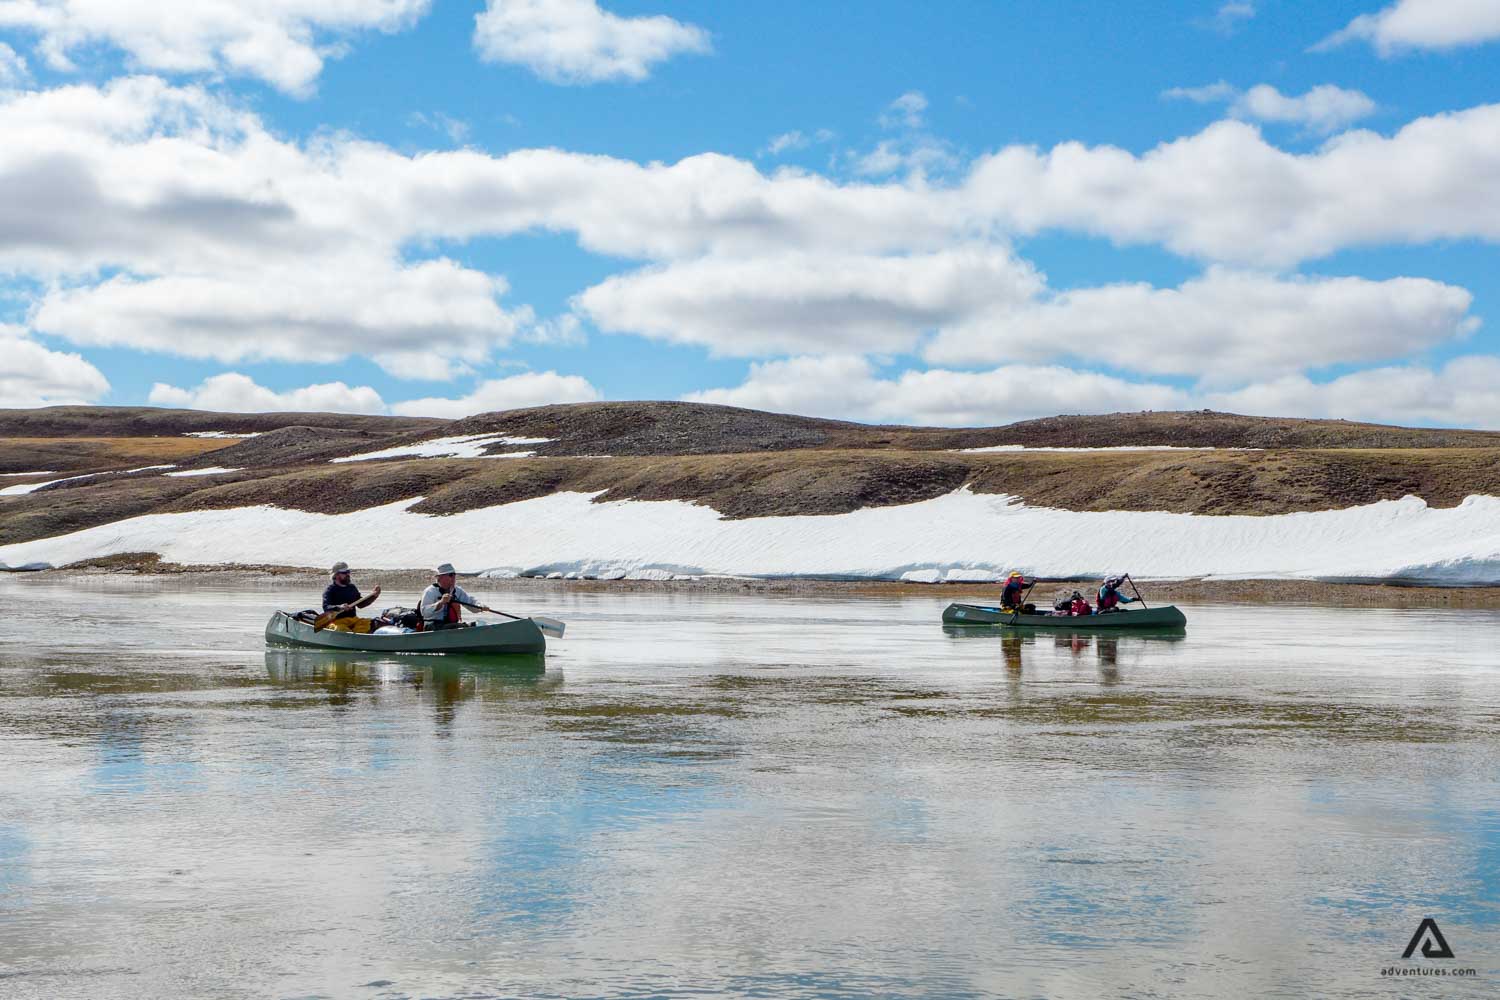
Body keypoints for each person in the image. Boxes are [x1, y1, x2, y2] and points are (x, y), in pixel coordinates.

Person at [419, 563, 501, 631]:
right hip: (432, 626)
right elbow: (424, 612)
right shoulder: (430, 591)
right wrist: (441, 603)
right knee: (458, 627)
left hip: (450, 626)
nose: (453, 578)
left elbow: (470, 602)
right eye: (450, 575)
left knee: (472, 625)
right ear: (440, 577)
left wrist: (480, 607)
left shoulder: (457, 591)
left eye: (454, 575)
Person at [321, 561, 382, 632]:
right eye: (344, 573)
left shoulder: (352, 588)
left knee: (366, 623)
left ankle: (360, 637)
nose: (348, 574)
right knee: (340, 629)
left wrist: (374, 596)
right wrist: (340, 607)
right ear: (336, 575)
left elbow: (360, 604)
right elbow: (326, 607)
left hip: (353, 619)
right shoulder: (330, 590)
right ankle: (351, 637)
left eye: (348, 571)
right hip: (337, 621)